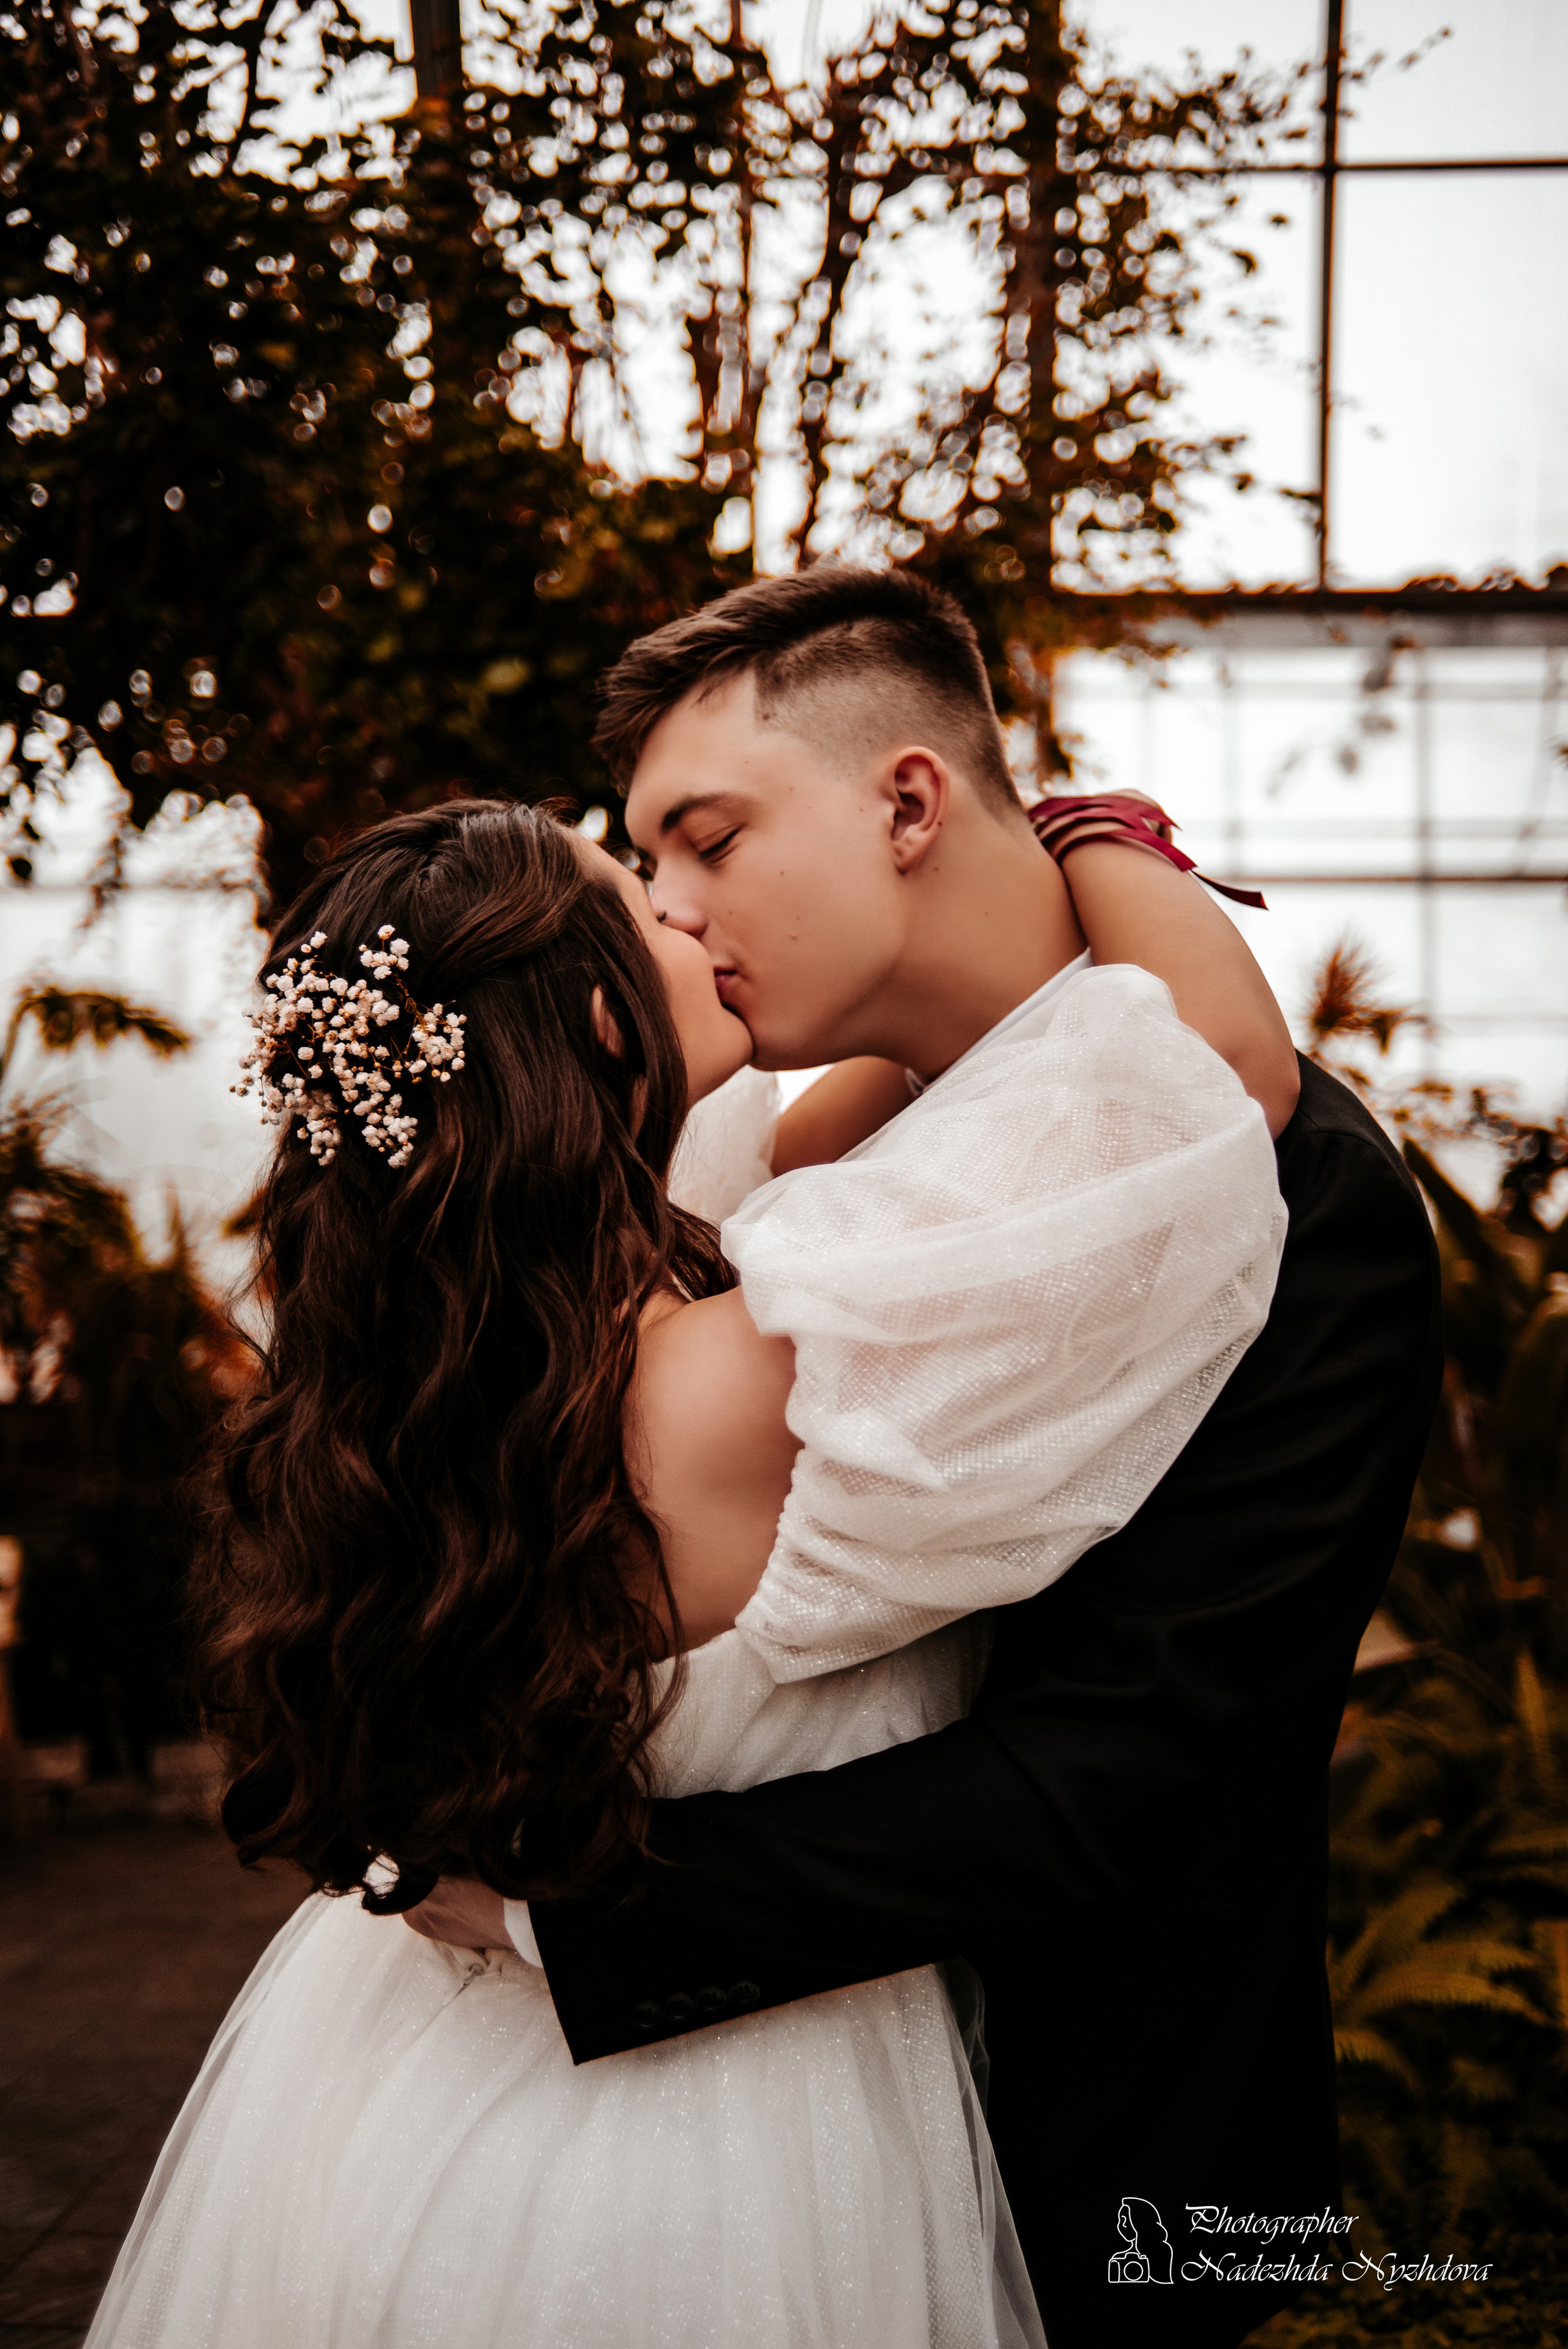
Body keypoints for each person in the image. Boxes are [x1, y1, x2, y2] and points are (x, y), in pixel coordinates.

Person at [86, 732, 1294, 2348]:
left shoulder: (447, 1376)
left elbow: (865, 1112)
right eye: (640, 901)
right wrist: (1089, 833)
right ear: (595, 1017)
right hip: (719, 2142)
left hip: (402, 2085)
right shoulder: (751, 1373)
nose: (693, 907)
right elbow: (1215, 1076)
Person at [413, 568, 1443, 2349]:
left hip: (1103, 2173)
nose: (668, 906)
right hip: (700, 2174)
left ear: (905, 800)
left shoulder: (1299, 1195)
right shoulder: (785, 1162)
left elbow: (1122, 1768)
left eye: (707, 839)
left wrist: (556, 1919)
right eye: (646, 865)